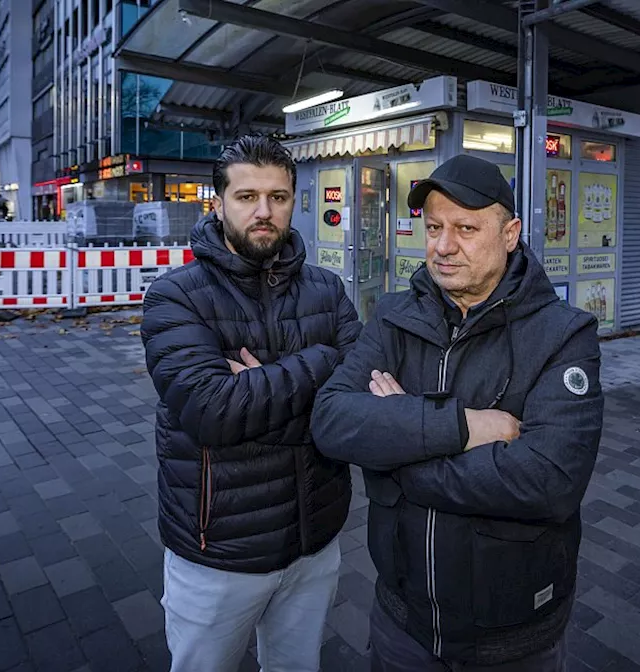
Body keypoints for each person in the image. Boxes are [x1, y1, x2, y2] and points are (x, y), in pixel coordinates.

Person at [311, 154, 605, 670]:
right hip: (402, 619)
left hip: (511, 636)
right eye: (434, 228)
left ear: (510, 233)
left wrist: (397, 447)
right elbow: (332, 420)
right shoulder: (392, 317)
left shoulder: (563, 335)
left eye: (466, 228)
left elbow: (549, 480)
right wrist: (463, 426)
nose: (444, 246)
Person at [140, 135, 362, 672]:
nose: (264, 212)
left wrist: (261, 394)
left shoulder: (327, 289)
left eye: (278, 197)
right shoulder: (176, 296)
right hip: (220, 550)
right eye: (246, 197)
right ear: (217, 204)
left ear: (293, 199)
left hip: (314, 539)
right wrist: (322, 364)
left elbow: (357, 406)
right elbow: (212, 413)